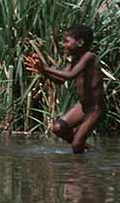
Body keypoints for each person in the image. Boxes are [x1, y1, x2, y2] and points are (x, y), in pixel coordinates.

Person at [24, 25, 102, 154]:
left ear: (80, 43)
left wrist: (46, 69)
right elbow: (61, 80)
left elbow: (70, 76)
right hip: (83, 106)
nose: (64, 45)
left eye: (67, 41)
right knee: (58, 129)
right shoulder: (76, 59)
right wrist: (43, 72)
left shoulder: (89, 57)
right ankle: (89, 149)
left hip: (95, 108)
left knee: (76, 145)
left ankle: (81, 164)